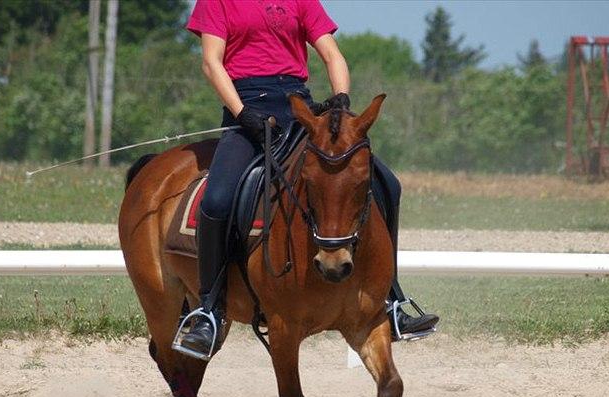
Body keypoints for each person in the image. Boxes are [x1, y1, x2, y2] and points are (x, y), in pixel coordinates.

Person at [180, 0, 439, 359]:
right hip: (247, 109)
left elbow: (332, 55)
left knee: (386, 183)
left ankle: (392, 298)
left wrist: (341, 101)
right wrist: (242, 112)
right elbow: (212, 62)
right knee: (218, 199)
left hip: (301, 110)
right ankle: (208, 309)